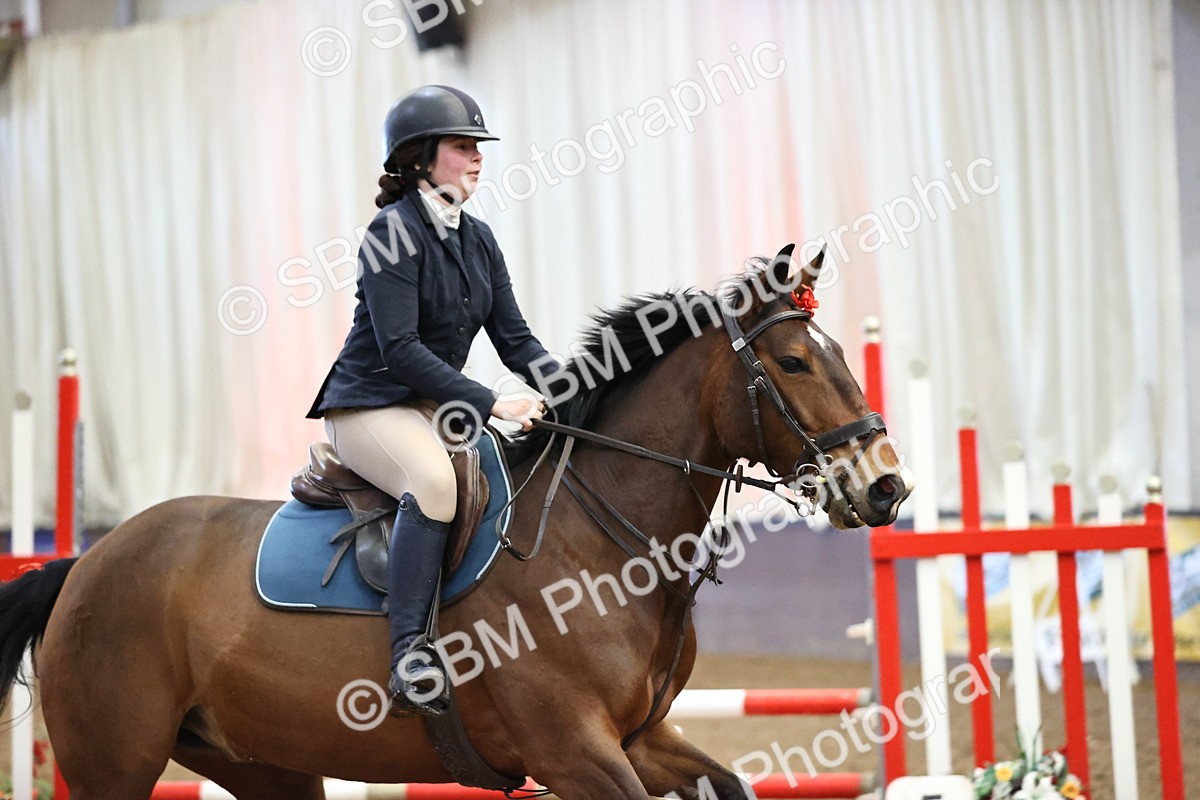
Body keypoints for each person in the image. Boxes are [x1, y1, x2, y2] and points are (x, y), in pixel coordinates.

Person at [307, 85, 550, 715]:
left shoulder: (479, 239)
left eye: (478, 148)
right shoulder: (391, 233)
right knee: (435, 484)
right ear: (419, 158)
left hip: (430, 405)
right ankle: (409, 653)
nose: (477, 158)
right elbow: (401, 351)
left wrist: (576, 390)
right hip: (368, 405)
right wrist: (490, 401)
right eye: (462, 146)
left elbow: (515, 339)